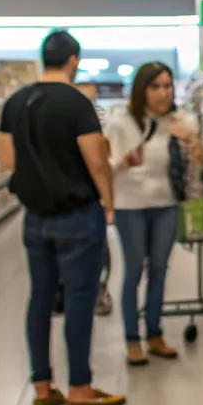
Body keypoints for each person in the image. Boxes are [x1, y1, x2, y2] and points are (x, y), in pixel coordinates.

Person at [0, 30, 126, 405]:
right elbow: (96, 161)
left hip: (35, 217)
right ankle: (81, 389)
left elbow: (7, 160)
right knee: (80, 299)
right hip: (77, 213)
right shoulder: (77, 103)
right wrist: (108, 202)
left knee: (40, 298)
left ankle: (42, 387)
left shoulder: (16, 102)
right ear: (74, 60)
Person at [106, 61, 191, 366]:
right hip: (130, 206)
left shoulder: (178, 122)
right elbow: (105, 167)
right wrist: (124, 163)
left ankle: (154, 334)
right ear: (141, 90)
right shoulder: (120, 123)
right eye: (155, 86)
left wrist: (191, 141)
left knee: (159, 269)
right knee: (133, 270)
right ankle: (132, 338)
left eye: (167, 86)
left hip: (165, 204)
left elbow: (199, 163)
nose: (162, 93)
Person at [75, 82, 113, 317]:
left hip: (90, 195)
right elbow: (99, 161)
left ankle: (99, 288)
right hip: (82, 195)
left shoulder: (99, 117)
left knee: (99, 247)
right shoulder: (76, 116)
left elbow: (105, 156)